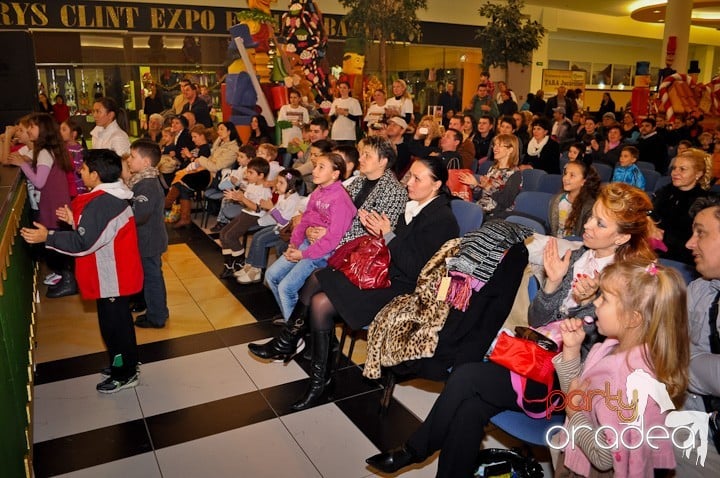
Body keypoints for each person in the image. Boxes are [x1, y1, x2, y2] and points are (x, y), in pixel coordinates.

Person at [366, 182, 657, 477]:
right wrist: (553, 286)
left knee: (466, 377)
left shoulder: (630, 280)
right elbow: (538, 319)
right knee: (470, 410)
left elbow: (603, 347)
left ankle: (414, 450)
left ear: (622, 236)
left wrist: (589, 304)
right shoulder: (581, 255)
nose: (588, 225)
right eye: (591, 216)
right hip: (539, 358)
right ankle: (422, 456)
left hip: (573, 378)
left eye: (600, 222)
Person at [252, 156, 459, 411]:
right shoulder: (416, 205)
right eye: (410, 176)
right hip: (385, 273)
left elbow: (419, 270)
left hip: (403, 288)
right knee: (318, 279)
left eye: (418, 178)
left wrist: (388, 235)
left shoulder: (442, 220)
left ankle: (309, 368)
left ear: (437, 184)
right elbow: (397, 250)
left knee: (321, 302)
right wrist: (382, 235)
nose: (409, 183)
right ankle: (296, 348)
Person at [20, 149, 143, 393]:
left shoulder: (104, 203)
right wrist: (76, 222)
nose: (80, 172)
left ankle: (125, 373)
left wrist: (49, 236)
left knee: (114, 327)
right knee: (120, 323)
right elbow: (100, 233)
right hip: (115, 274)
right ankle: (127, 362)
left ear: (96, 175)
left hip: (113, 277)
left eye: (84, 169)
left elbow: (84, 243)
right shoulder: (109, 197)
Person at [552, 260, 688, 476]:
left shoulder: (622, 379)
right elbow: (578, 392)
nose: (596, 303)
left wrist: (574, 413)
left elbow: (603, 457)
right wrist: (571, 351)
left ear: (633, 318)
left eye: (605, 298)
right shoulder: (612, 348)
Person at [265, 153, 356, 322]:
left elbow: (333, 239)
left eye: (321, 167)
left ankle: (294, 335)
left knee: (286, 288)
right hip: (309, 245)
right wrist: (294, 244)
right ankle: (292, 321)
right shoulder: (319, 191)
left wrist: (303, 254)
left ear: (335, 174)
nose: (314, 171)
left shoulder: (340, 199)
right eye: (315, 166)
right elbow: (306, 219)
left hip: (326, 252)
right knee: (271, 276)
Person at [2, 113, 76, 298]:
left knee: (55, 242)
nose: (28, 130)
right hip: (56, 200)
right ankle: (66, 278)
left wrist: (22, 164)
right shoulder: (51, 149)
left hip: (53, 202)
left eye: (32, 127)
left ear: (42, 130)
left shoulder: (44, 152)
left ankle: (68, 280)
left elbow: (39, 182)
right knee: (57, 239)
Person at [674, 196, 720, 477]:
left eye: (700, 233)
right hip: (690, 414)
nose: (690, 243)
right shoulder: (702, 288)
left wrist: (677, 356)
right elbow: (659, 335)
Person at [125, 139, 169, 329]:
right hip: (147, 238)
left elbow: (140, 215)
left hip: (149, 240)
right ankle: (157, 311)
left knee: (152, 279)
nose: (128, 160)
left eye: (133, 157)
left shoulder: (147, 185)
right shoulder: (142, 180)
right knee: (151, 277)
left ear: (146, 163)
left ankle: (157, 317)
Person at [165, 121, 241, 228]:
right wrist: (201, 163)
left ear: (229, 132)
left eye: (221, 129)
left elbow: (216, 167)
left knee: (182, 183)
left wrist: (199, 160)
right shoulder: (220, 142)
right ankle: (181, 216)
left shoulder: (233, 149)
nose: (218, 132)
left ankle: (168, 208)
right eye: (218, 129)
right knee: (182, 183)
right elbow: (211, 161)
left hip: (216, 178)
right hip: (206, 171)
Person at [235, 169, 306, 284]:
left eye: (281, 183)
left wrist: (271, 208)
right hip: (278, 227)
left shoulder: (293, 200)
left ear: (292, 188)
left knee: (261, 239)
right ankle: (250, 264)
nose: (277, 185)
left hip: (285, 231)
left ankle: (256, 270)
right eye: (277, 181)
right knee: (257, 235)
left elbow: (284, 221)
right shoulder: (283, 195)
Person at [652, 148, 710, 264]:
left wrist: (663, 236)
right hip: (654, 249)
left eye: (682, 169)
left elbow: (694, 239)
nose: (675, 172)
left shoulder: (703, 203)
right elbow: (649, 212)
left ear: (698, 174)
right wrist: (650, 226)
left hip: (680, 257)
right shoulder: (665, 191)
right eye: (674, 168)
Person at [217, 158, 273, 278]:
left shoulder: (265, 190)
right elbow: (245, 203)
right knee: (223, 233)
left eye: (250, 173)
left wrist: (242, 199)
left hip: (255, 216)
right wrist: (237, 198)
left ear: (261, 175)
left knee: (230, 236)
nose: (247, 174)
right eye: (247, 171)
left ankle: (240, 261)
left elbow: (258, 208)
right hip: (245, 213)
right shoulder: (251, 185)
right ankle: (229, 265)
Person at [459, 133, 522, 216]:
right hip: (482, 208)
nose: (495, 148)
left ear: (510, 150)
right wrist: (475, 185)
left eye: (499, 145)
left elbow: (506, 201)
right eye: (494, 145)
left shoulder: (515, 174)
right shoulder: (493, 169)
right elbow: (480, 196)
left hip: (497, 214)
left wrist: (488, 187)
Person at [549, 161, 602, 237]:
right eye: (565, 173)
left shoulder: (589, 207)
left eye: (572, 175)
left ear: (583, 181)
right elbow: (553, 229)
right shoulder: (557, 200)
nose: (565, 178)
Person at [60, 117, 88, 197]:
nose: (60, 132)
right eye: (60, 129)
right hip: (64, 188)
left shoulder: (81, 151)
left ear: (74, 134)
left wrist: (81, 169)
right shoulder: (61, 149)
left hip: (77, 190)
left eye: (64, 129)